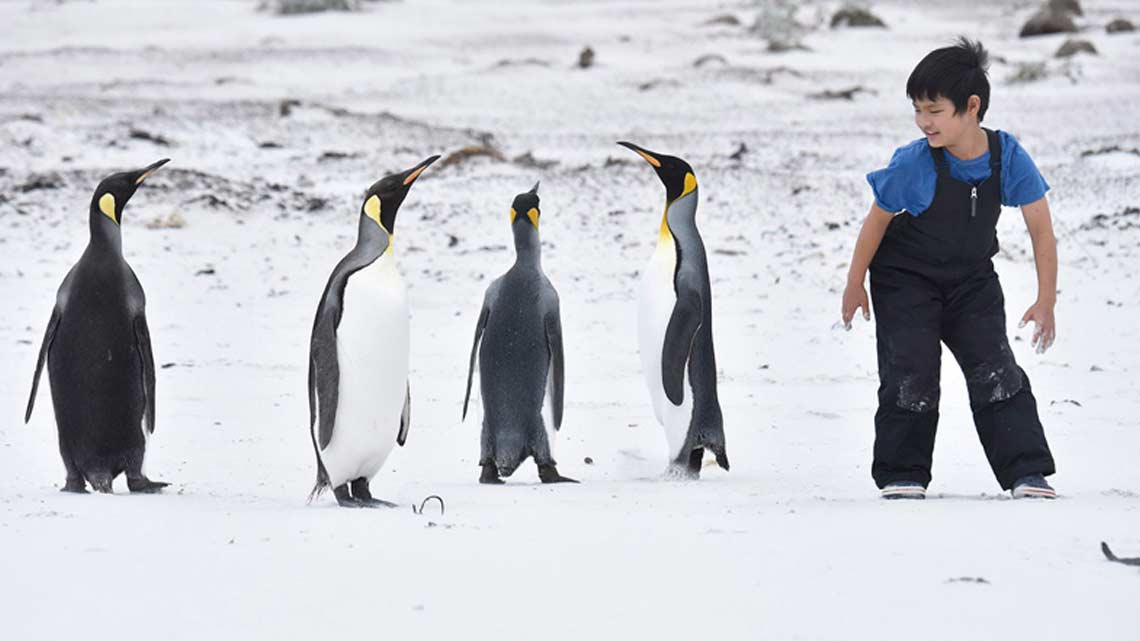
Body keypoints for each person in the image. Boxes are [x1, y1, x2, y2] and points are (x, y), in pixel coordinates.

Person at [840, 37, 1058, 500]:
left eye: (934, 111)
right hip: (905, 281)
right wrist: (854, 282)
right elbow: (876, 221)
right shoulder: (914, 162)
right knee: (911, 373)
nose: (923, 122)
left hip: (972, 281)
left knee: (995, 367)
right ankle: (903, 474)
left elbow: (1041, 229)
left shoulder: (1007, 156)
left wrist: (1045, 300)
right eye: (917, 110)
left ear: (971, 107)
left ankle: (1026, 471)